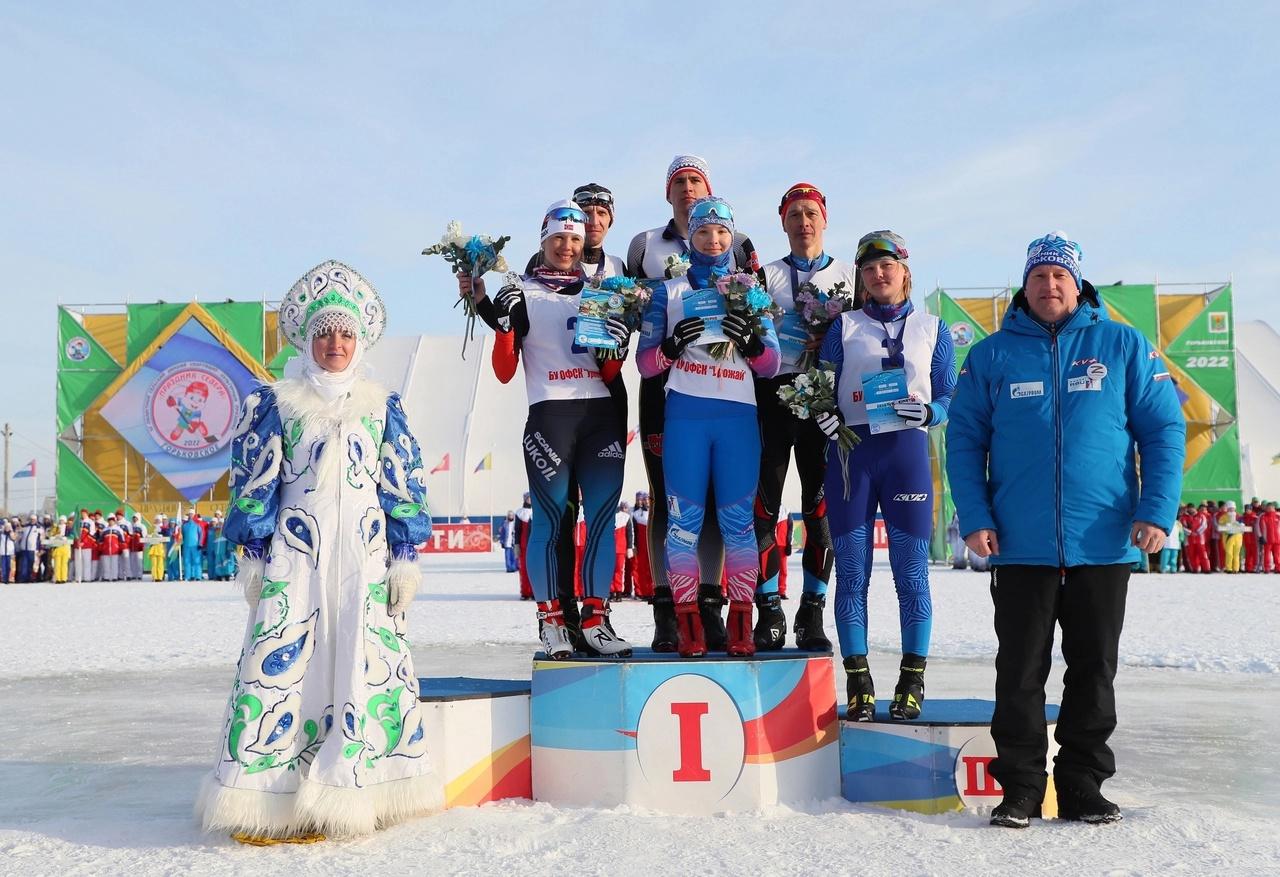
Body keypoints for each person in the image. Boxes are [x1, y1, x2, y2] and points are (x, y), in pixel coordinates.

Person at [196, 259, 441, 841]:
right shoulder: (276, 404)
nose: (336, 343)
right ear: (308, 339)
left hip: (363, 557)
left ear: (360, 342)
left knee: (359, 663)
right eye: (326, 332)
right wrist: (253, 552)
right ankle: (271, 801)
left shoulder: (383, 408)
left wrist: (406, 554)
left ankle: (354, 790)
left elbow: (401, 482)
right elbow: (254, 481)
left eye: (346, 333)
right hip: (297, 559)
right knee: (288, 670)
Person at [946, 232, 1185, 828]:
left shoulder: (1122, 345)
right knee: (1020, 670)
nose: (1049, 285)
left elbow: (1163, 430)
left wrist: (1156, 510)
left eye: (1059, 276)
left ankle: (1081, 785)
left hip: (1101, 541)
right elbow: (965, 442)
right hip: (1019, 543)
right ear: (1023, 287)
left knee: (1093, 667)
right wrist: (975, 518)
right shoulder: (992, 355)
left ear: (1078, 284)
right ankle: (1021, 789)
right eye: (1038, 276)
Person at [460, 200, 633, 658]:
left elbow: (612, 373)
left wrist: (617, 339)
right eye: (558, 238)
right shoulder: (521, 290)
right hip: (550, 417)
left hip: (601, 417)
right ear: (543, 240)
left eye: (575, 239)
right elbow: (502, 370)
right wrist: (498, 321)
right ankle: (553, 621)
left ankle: (597, 619)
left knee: (600, 520)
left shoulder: (599, 290)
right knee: (551, 521)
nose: (567, 246)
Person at [814, 230, 956, 722]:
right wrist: (823, 416)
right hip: (852, 452)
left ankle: (911, 680)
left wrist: (932, 413)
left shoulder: (932, 328)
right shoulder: (845, 326)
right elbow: (820, 387)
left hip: (906, 453)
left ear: (904, 270)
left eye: (887, 266)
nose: (879, 274)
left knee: (911, 573)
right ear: (861, 276)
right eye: (869, 268)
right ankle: (859, 682)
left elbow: (950, 399)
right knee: (851, 574)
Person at [627, 155, 764, 652]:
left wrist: (752, 343)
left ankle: (738, 624)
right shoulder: (667, 285)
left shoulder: (749, 288)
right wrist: (666, 348)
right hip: (683, 411)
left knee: (735, 523)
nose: (713, 241)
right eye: (704, 233)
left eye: (721, 233)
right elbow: (643, 363)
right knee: (681, 519)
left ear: (732, 237)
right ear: (691, 239)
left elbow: (769, 364)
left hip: (737, 416)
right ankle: (681, 624)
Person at [753, 182, 857, 650]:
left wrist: (835, 343)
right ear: (782, 221)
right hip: (775, 395)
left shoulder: (849, 274)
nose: (803, 222)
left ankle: (811, 612)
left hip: (826, 400)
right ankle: (769, 609)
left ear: (825, 218)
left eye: (811, 213)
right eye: (794, 214)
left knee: (820, 509)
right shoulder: (765, 275)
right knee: (764, 507)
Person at [630, 491, 654, 599]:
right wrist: (633, 545)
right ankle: (640, 592)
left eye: (646, 499)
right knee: (639, 569)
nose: (644, 501)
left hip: (651, 544)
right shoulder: (635, 514)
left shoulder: (653, 513)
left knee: (651, 568)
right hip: (640, 546)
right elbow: (633, 531)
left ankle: (652, 591)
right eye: (642, 499)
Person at [1261, 501, 1280, 572]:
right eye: (1268, 508)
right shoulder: (1264, 517)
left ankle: (1278, 568)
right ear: (1266, 509)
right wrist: (1262, 537)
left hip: (1277, 540)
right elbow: (1262, 528)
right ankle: (1267, 568)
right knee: (1267, 555)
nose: (1270, 509)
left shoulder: (1278, 516)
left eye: (1271, 508)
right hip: (1268, 540)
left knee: (1277, 555)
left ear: (1274, 508)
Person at [148, 515, 168, 581]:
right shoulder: (151, 528)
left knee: (160, 563)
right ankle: (154, 577)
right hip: (153, 547)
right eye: (156, 520)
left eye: (158, 520)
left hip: (160, 547)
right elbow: (148, 536)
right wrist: (150, 536)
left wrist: (161, 536)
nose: (157, 521)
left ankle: (159, 577)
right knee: (154, 564)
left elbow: (166, 537)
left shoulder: (163, 528)